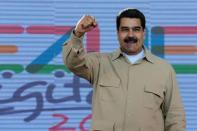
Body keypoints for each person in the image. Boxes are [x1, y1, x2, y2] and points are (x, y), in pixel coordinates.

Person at [63, 8, 186, 131]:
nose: (131, 35)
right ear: (117, 33)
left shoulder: (164, 70)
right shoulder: (99, 63)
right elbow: (73, 63)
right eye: (125, 29)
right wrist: (78, 33)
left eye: (136, 29)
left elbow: (174, 117)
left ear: (144, 32)